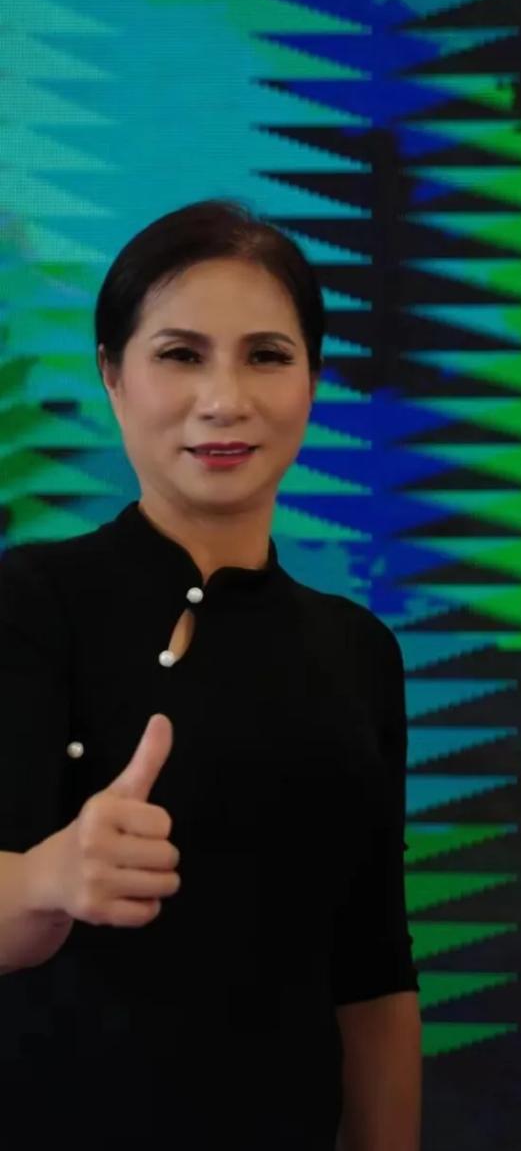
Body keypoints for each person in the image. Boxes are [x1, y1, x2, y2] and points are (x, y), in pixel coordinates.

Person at [0, 201, 421, 1151]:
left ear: (313, 378)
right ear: (113, 375)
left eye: (266, 356)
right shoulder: (30, 604)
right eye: (180, 355)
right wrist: (47, 877)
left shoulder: (359, 651)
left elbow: (372, 970)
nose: (224, 400)